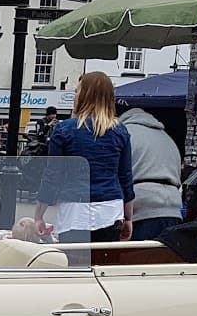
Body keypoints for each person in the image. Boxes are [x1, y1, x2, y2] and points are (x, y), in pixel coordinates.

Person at [36, 71, 134, 243]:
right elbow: (125, 177)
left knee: (75, 259)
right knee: (104, 260)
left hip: (74, 210)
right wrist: (129, 218)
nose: (74, 96)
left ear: (85, 96)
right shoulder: (120, 131)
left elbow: (52, 176)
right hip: (110, 209)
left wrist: (39, 215)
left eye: (77, 91)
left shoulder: (64, 130)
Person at [119, 106, 183, 240]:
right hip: (172, 210)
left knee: (137, 253)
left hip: (141, 210)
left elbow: (120, 175)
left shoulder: (124, 134)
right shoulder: (167, 139)